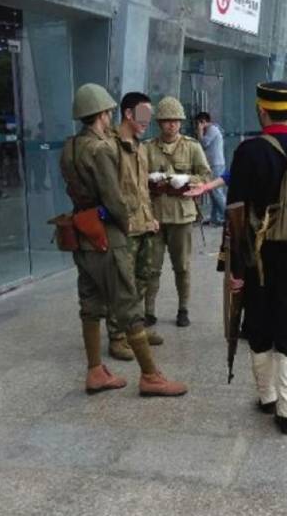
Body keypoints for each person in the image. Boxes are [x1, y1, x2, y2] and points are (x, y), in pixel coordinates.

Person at [60, 83, 187, 396]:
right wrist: (126, 222)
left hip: (81, 232)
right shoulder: (102, 149)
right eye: (108, 112)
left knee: (90, 303)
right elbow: (114, 198)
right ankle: (150, 376)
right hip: (106, 234)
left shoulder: (70, 146)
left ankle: (95, 371)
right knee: (129, 303)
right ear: (103, 114)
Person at [226, 81, 287, 435]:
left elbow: (236, 214)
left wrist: (236, 267)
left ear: (262, 110)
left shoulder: (248, 151)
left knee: (257, 323)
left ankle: (267, 397)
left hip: (258, 254)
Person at [105, 92, 164, 361]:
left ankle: (134, 329)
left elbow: (141, 189)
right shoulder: (111, 146)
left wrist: (150, 217)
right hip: (123, 227)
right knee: (122, 283)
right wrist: (120, 220)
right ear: (128, 114)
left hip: (144, 224)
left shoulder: (140, 147)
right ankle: (117, 336)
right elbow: (109, 191)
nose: (147, 121)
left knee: (143, 279)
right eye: (143, 115)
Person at [144, 96, 211, 328]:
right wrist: (149, 178)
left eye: (176, 120)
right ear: (159, 123)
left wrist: (187, 179)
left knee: (182, 266)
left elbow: (206, 176)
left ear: (181, 122)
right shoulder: (147, 148)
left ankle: (183, 309)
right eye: (166, 120)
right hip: (154, 215)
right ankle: (148, 311)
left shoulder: (192, 146)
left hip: (181, 214)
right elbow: (136, 177)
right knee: (151, 268)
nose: (172, 124)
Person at [195, 111, 226, 226]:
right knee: (213, 193)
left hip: (216, 165)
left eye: (198, 123)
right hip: (214, 164)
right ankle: (215, 218)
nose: (197, 126)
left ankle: (228, 217)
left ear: (203, 122)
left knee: (216, 192)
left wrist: (200, 131)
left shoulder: (212, 129)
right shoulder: (212, 129)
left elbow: (203, 143)